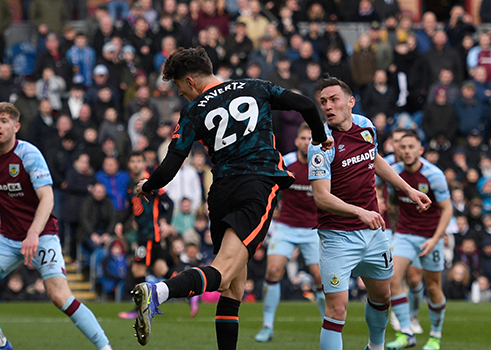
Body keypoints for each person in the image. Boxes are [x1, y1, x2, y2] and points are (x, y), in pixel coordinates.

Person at [131, 47, 332, 349]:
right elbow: (304, 104)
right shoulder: (256, 87)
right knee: (224, 274)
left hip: (221, 191)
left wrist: (147, 186)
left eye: (178, 87)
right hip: (256, 185)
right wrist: (319, 136)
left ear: (190, 81)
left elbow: (169, 168)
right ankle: (158, 292)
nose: (181, 93)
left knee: (233, 287)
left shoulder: (194, 109)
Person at [0, 102, 113, 350]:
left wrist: (33, 234)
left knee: (59, 296)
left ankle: (105, 347)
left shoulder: (29, 154)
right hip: (8, 237)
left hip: (42, 235)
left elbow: (48, 198)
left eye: (5, 121)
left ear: (16, 126)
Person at [307, 76, 431, 350]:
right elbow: (321, 197)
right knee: (336, 310)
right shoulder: (320, 143)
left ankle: (375, 347)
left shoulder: (366, 126)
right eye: (323, 102)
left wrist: (408, 189)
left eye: (334, 100)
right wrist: (359, 212)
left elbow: (374, 159)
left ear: (350, 102)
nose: (328, 106)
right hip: (338, 237)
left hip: (373, 234)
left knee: (382, 297)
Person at [254, 123, 326, 343]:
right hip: (286, 226)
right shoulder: (287, 162)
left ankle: (329, 325)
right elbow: (269, 186)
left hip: (313, 228)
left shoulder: (322, 163)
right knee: (273, 271)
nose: (306, 142)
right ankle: (267, 325)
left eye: (310, 138)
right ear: (297, 141)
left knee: (320, 278)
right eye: (303, 138)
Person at [385, 132, 451, 350]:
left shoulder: (434, 175)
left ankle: (435, 336)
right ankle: (406, 332)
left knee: (433, 287)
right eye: (403, 147)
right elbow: (376, 182)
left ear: (420, 150)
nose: (406, 151)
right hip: (404, 233)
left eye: (411, 147)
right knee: (393, 279)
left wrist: (435, 239)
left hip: (429, 237)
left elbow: (447, 209)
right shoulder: (394, 172)